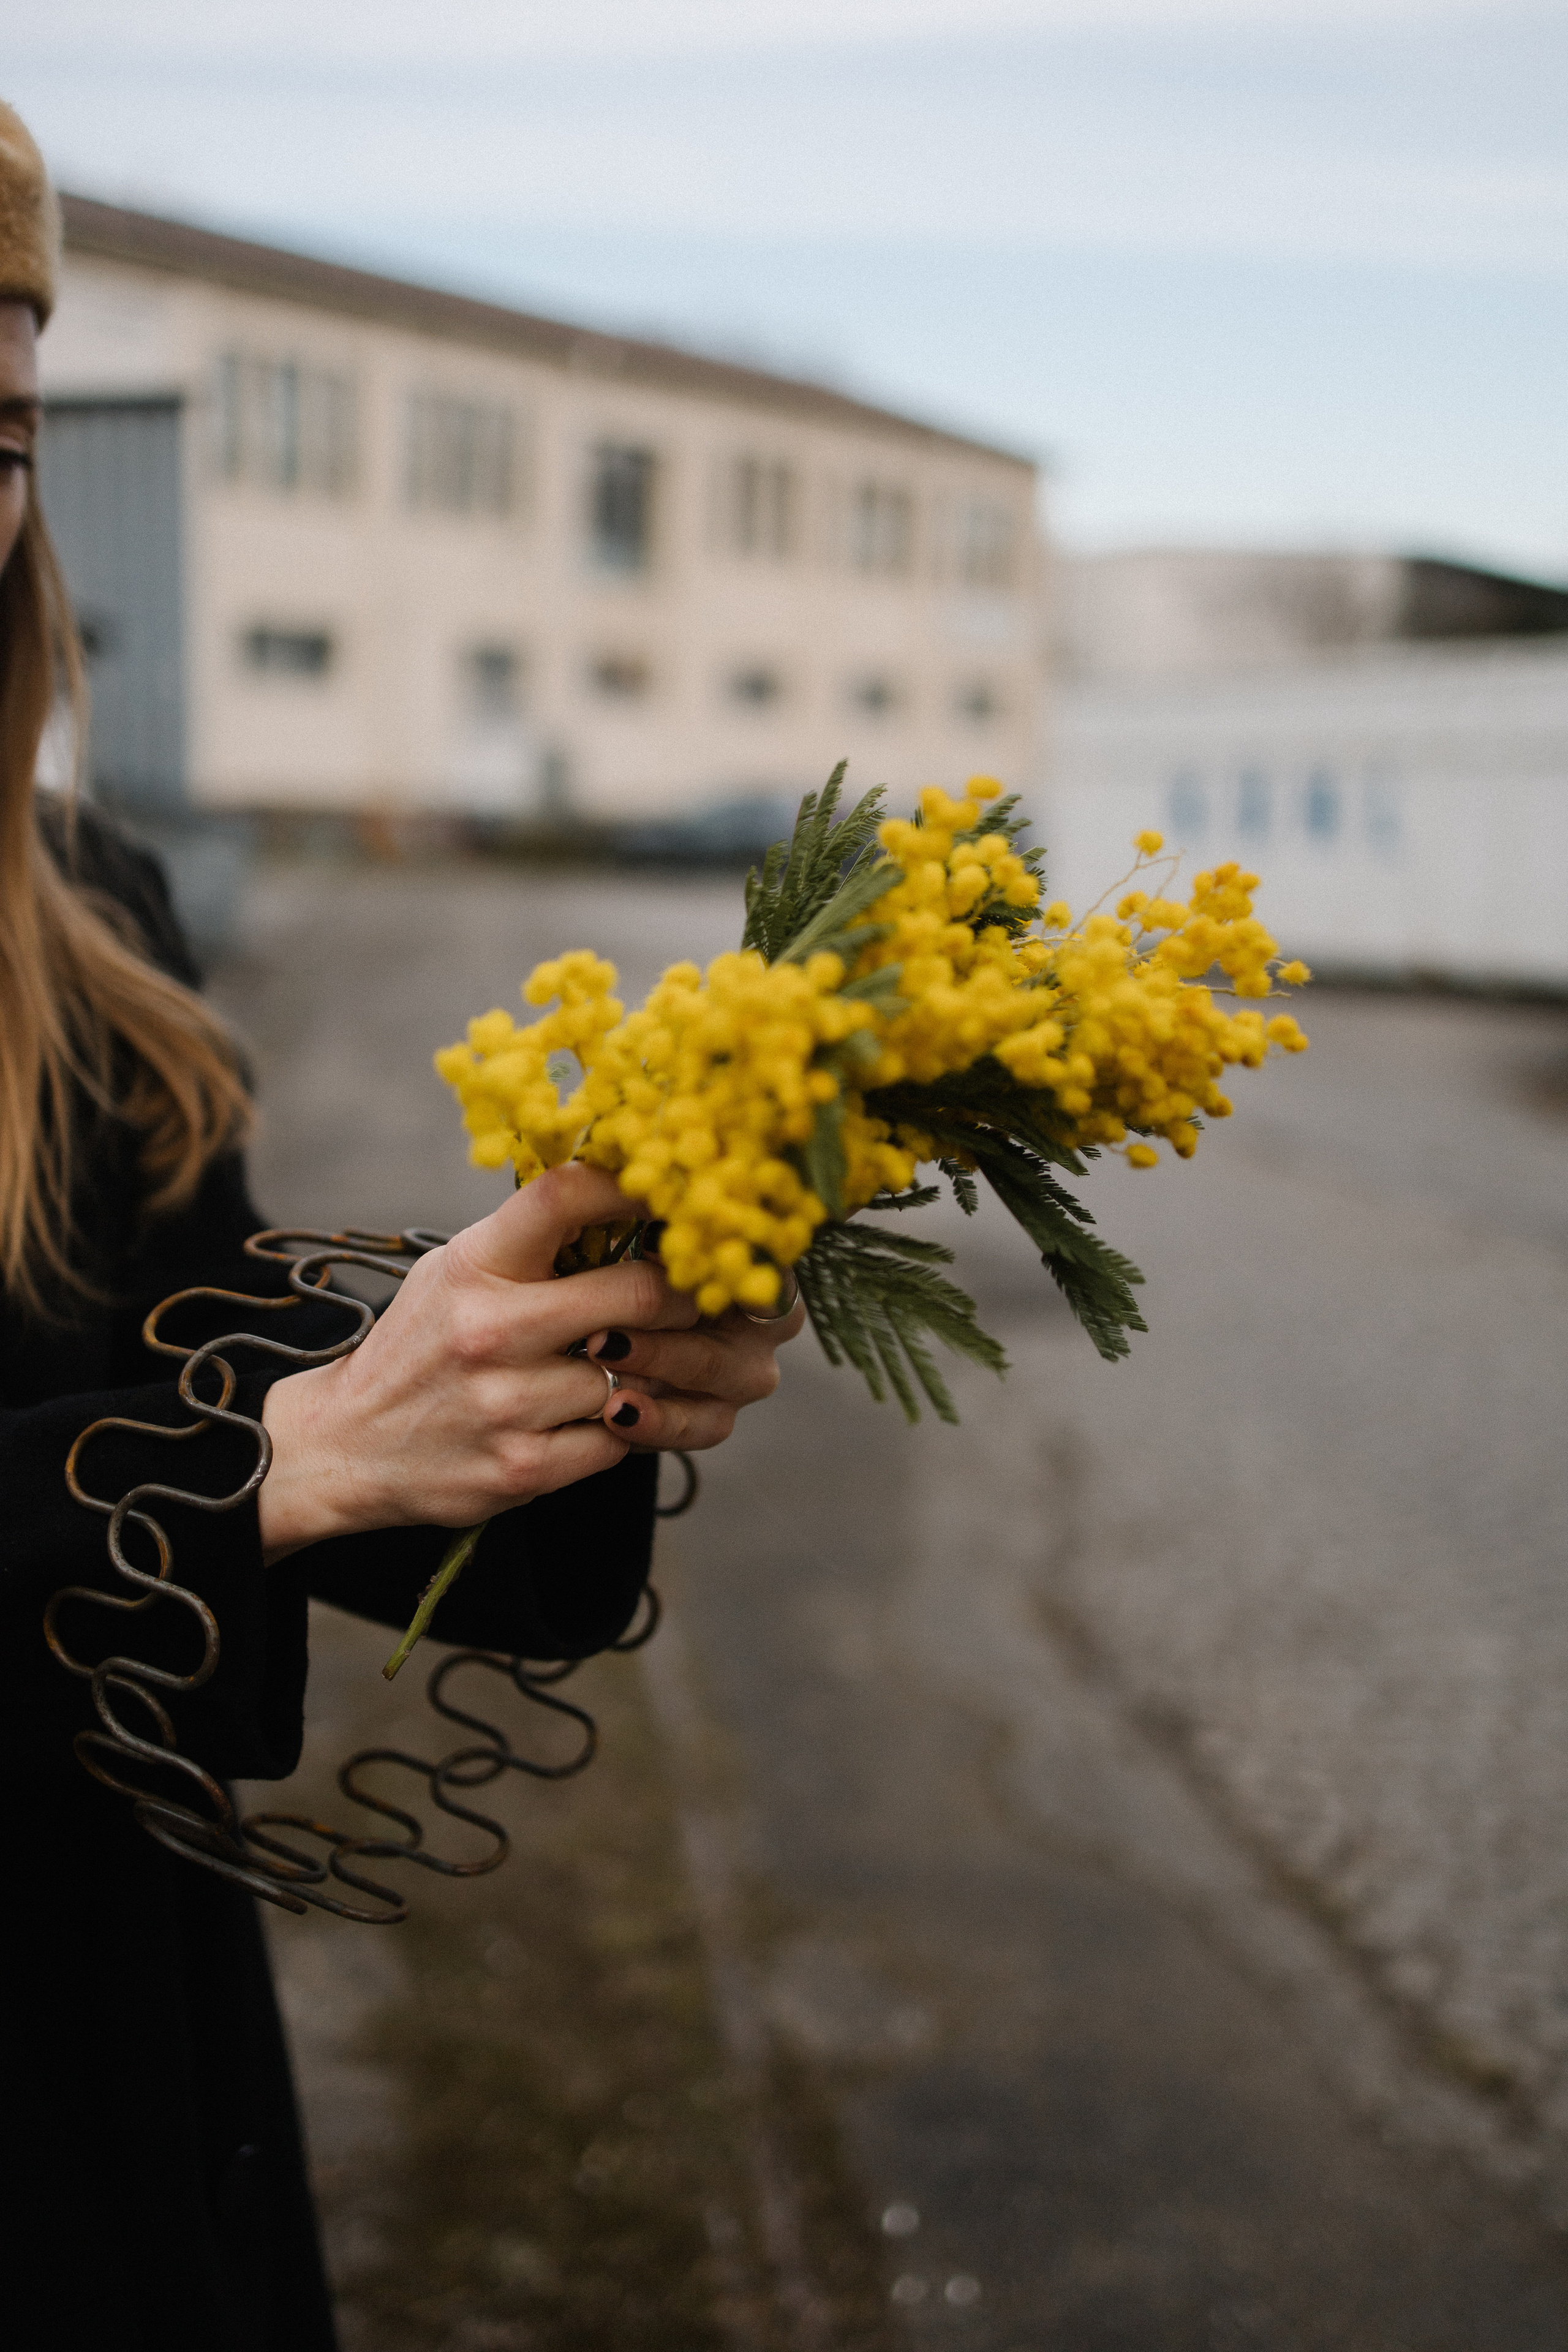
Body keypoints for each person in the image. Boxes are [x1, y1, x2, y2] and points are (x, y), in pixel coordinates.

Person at [0, 101, 802, 2352]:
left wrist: (551, 1354)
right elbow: (244, 1463)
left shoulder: (91, 925)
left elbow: (212, 1384)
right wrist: (284, 1467)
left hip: (119, 2046)